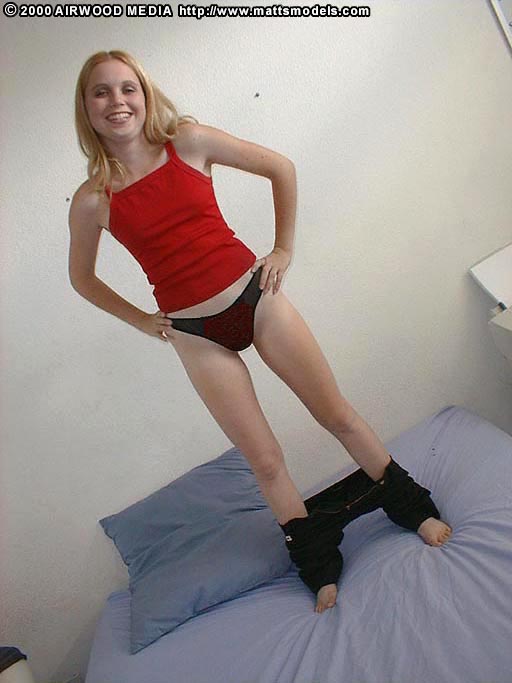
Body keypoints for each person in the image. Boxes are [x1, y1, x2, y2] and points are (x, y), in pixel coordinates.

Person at [68, 50, 452, 615]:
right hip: (196, 334)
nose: (117, 101)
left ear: (144, 94)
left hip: (258, 300)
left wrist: (283, 249)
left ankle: (411, 507)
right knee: (266, 461)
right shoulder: (92, 200)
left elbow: (281, 168)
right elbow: (82, 278)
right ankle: (317, 561)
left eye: (127, 88)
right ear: (86, 107)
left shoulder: (188, 141)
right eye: (101, 92)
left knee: (337, 415)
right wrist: (142, 320)